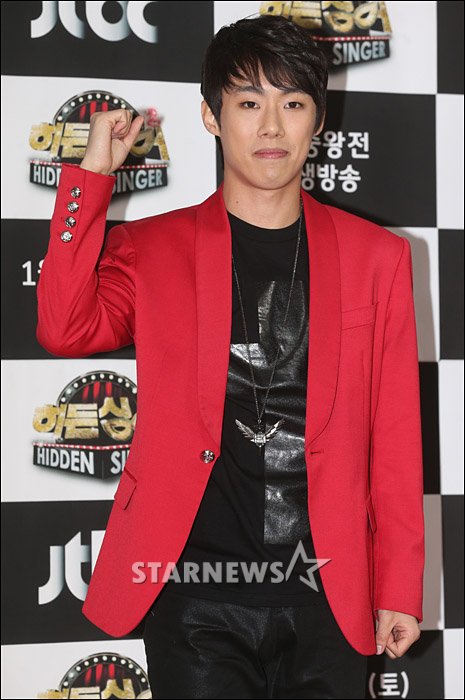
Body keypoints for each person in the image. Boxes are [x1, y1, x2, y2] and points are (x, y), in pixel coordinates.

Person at [36, 14, 424, 700]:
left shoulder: (378, 258)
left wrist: (397, 587)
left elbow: (394, 439)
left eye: (292, 103)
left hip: (328, 595)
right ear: (212, 117)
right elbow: (65, 329)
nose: (271, 126)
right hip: (195, 598)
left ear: (318, 119)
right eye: (248, 103)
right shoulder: (153, 249)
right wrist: (91, 178)